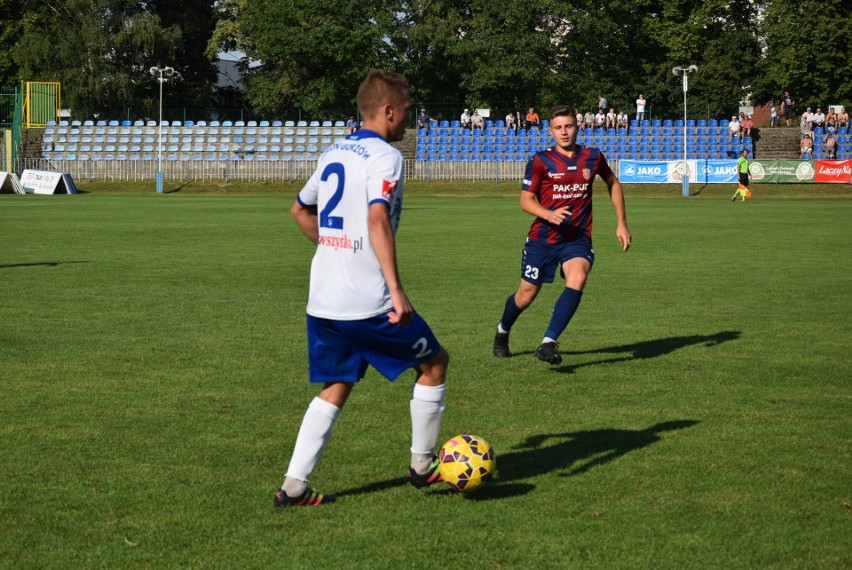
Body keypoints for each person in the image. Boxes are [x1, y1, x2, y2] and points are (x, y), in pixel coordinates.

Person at [278, 69, 450, 508]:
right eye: (407, 110)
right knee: (434, 365)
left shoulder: (333, 151)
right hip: (367, 302)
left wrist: (333, 249)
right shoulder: (385, 157)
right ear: (388, 110)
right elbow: (376, 219)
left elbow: (300, 209)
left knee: (336, 384)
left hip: (323, 302)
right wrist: (396, 290)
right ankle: (421, 466)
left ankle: (294, 486)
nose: (408, 119)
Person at [492, 105, 631, 365]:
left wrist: (621, 223)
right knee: (525, 296)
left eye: (568, 126)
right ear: (551, 131)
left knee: (578, 276)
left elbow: (613, 183)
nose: (564, 132)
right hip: (542, 239)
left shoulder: (593, 157)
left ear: (577, 126)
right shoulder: (540, 160)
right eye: (558, 128)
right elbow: (525, 200)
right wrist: (548, 214)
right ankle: (503, 331)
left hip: (576, 238)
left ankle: (547, 343)